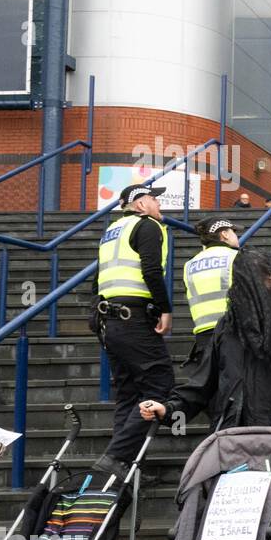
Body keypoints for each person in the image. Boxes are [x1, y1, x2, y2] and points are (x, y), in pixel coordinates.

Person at [139, 250, 271, 476]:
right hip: (232, 434)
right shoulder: (228, 326)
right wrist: (169, 408)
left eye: (251, 282)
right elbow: (203, 382)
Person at [92, 183, 175, 480]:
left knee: (128, 393)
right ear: (140, 205)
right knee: (160, 382)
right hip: (133, 318)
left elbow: (97, 278)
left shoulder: (111, 232)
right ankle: (118, 455)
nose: (159, 204)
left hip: (110, 319)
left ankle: (120, 466)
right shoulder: (147, 225)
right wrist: (165, 308)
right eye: (154, 199)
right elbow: (151, 270)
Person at [181, 216, 239, 368]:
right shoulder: (235, 257)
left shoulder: (189, 265)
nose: (236, 236)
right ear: (224, 234)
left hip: (203, 336)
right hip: (232, 333)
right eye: (233, 232)